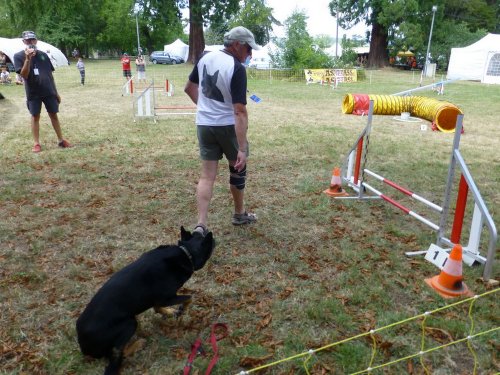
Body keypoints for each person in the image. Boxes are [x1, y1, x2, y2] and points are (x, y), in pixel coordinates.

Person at [184, 26, 259, 236]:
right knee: (237, 168)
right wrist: (242, 148)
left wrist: (206, 110)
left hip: (204, 126)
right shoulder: (236, 68)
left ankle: (200, 225)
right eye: (248, 48)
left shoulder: (205, 58)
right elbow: (240, 112)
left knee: (207, 176)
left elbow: (189, 88)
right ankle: (239, 214)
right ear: (237, 45)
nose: (250, 54)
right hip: (227, 127)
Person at [14, 31, 72, 153]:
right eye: (28, 40)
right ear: (24, 42)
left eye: (33, 40)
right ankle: (36, 143)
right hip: (33, 93)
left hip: (48, 90)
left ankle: (61, 140)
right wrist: (27, 59)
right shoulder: (18, 56)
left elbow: (50, 74)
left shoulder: (43, 55)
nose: (31, 42)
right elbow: (24, 75)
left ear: (36, 41)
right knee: (35, 116)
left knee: (53, 114)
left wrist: (56, 92)